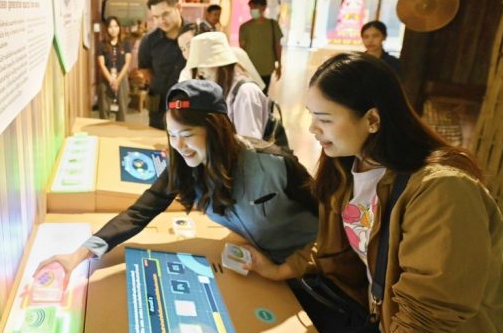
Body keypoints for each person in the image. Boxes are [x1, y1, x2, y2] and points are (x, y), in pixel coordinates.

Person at [249, 53, 503, 333]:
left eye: (325, 118)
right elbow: (342, 255)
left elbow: (426, 314)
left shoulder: (443, 189)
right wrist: (282, 269)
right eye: (312, 116)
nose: (312, 128)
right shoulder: (349, 169)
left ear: (373, 120)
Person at [35, 79, 318, 282]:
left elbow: (327, 217)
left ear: (215, 129)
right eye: (171, 135)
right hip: (262, 268)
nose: (179, 146)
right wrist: (78, 255)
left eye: (187, 135)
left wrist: (285, 269)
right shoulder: (186, 168)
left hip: (313, 268)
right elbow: (138, 213)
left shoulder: (273, 163)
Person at [179, 32, 269, 142]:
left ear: (219, 63)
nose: (200, 72)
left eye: (202, 65)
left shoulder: (246, 92)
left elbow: (250, 143)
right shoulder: (220, 91)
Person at [137, 0, 186, 129]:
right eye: (156, 17)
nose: (161, 21)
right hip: (159, 109)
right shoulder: (148, 41)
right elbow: (145, 70)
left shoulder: (196, 35)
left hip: (189, 109)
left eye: (165, 14)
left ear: (179, 7)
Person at [238, 0, 283, 89]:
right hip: (249, 68)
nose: (252, 10)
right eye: (251, 8)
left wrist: (279, 65)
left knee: (263, 92)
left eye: (255, 7)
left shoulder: (272, 25)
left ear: (264, 8)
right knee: (250, 92)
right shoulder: (245, 27)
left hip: (266, 67)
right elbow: (241, 49)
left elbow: (277, 46)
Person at [96, 16, 132, 121]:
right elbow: (101, 64)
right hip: (106, 78)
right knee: (104, 110)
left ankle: (120, 129)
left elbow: (127, 63)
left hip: (121, 78)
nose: (113, 29)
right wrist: (111, 80)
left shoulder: (126, 43)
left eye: (116, 26)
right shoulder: (101, 44)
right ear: (106, 29)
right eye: (110, 27)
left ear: (119, 27)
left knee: (122, 110)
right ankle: (105, 129)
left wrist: (118, 80)